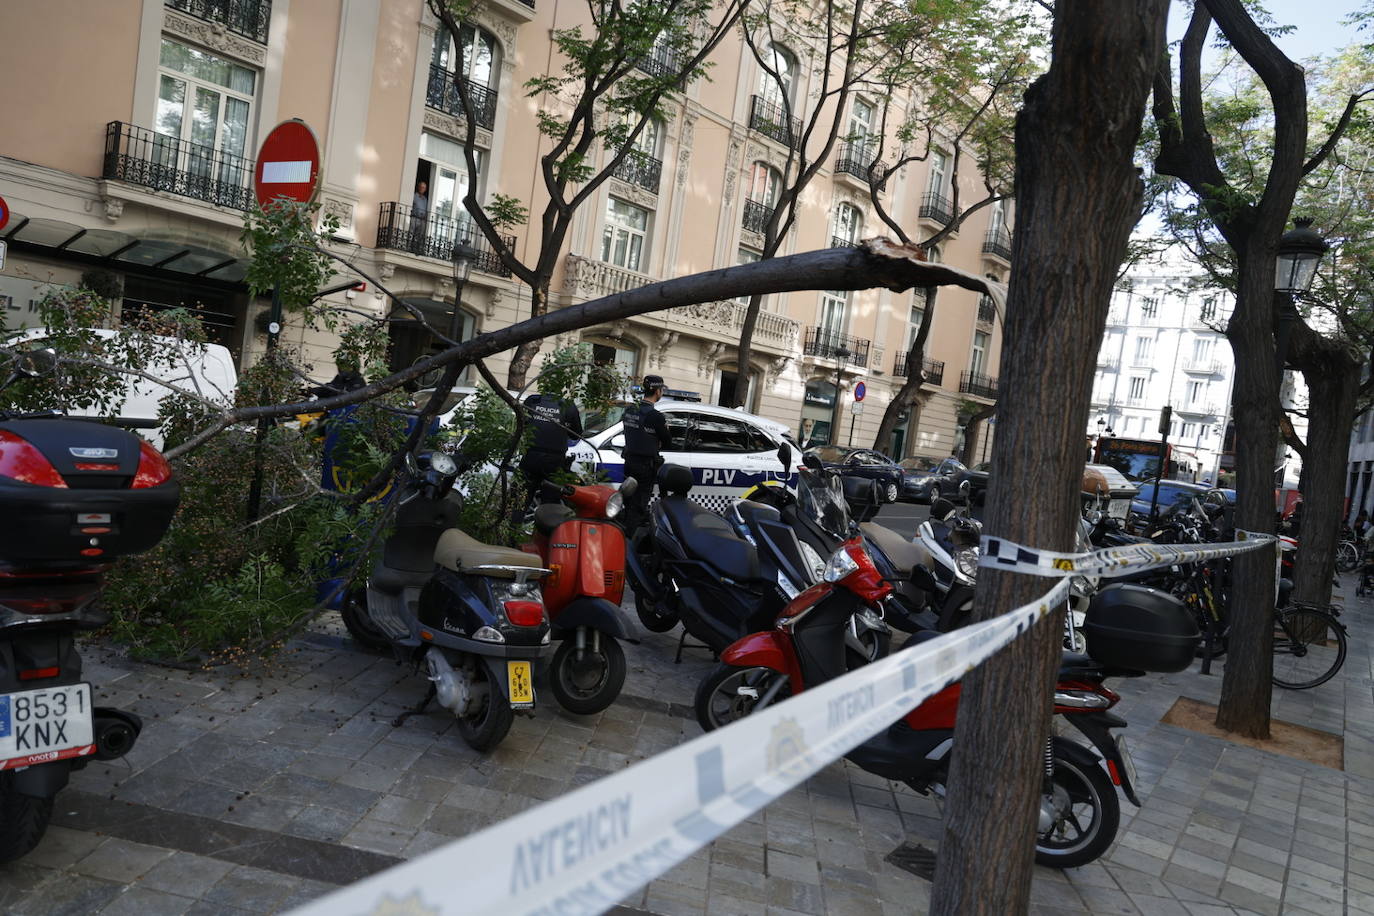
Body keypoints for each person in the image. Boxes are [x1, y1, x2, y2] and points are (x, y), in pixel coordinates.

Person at [621, 374, 673, 535]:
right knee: (638, 505)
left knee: (628, 503)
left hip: (629, 462)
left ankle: (622, 533)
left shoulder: (630, 410)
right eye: (662, 390)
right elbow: (668, 442)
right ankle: (627, 543)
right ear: (658, 391)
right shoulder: (656, 417)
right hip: (645, 466)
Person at [518, 386, 582, 506]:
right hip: (554, 461)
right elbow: (576, 435)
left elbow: (521, 425)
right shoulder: (568, 405)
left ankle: (514, 524)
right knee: (550, 501)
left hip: (531, 456)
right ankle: (545, 522)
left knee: (520, 499)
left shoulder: (532, 401)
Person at [410, 179, 430, 253]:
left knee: (419, 236)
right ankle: (409, 246)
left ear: (425, 189)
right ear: (418, 187)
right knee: (411, 233)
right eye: (421, 187)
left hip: (422, 219)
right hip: (414, 217)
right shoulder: (414, 196)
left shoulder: (425, 199)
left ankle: (416, 248)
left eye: (424, 187)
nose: (422, 189)